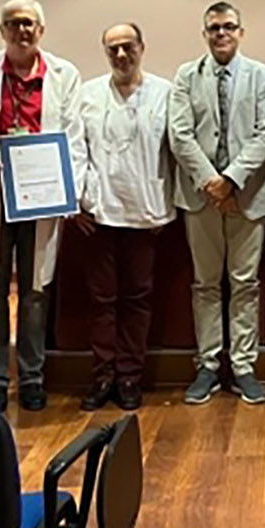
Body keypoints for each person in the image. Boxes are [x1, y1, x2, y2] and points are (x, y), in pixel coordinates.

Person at [0, 0, 86, 413]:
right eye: (13, 24)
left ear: (41, 30)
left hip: (41, 197)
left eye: (29, 23)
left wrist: (69, 191)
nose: (21, 31)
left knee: (35, 292)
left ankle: (32, 377)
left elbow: (74, 137)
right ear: (1, 31)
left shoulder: (64, 75)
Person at [170, 1, 265, 408]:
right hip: (201, 198)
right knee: (206, 284)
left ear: (240, 32)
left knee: (245, 284)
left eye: (229, 26)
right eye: (214, 28)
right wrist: (211, 183)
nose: (221, 34)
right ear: (205, 34)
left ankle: (244, 366)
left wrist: (230, 180)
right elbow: (180, 135)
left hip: (248, 196)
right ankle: (209, 365)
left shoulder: (262, 76)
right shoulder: (186, 75)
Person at [75, 22, 174, 412]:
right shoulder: (87, 94)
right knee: (101, 300)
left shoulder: (165, 93)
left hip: (146, 212)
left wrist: (168, 204)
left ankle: (130, 375)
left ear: (141, 48)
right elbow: (75, 149)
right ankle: (103, 376)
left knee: (137, 298)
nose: (121, 55)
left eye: (128, 46)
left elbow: (176, 152)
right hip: (99, 213)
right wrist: (77, 202)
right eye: (113, 48)